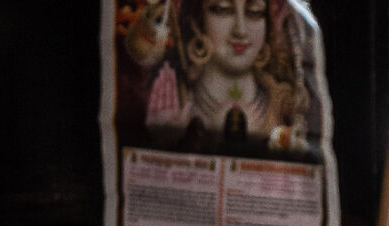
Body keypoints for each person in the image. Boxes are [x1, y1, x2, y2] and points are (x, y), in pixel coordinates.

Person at [133, 0, 316, 160]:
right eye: (222, 9)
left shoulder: (289, 104)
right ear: (197, 21)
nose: (240, 30)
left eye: (254, 12)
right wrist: (165, 141)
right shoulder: (170, 99)